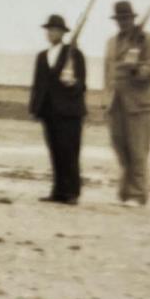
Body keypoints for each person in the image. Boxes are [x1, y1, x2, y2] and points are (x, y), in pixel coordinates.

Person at [104, 0, 150, 206]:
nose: (123, 22)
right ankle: (125, 192)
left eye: (126, 18)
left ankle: (137, 194)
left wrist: (136, 69)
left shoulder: (146, 39)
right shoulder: (112, 42)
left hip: (139, 103)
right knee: (120, 148)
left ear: (133, 19)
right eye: (120, 19)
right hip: (115, 102)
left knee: (138, 151)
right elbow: (108, 72)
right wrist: (105, 100)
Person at [29, 14, 87, 205]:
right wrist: (34, 109)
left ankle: (72, 193)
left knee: (69, 151)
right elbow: (38, 84)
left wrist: (72, 83)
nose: (51, 33)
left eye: (55, 30)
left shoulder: (75, 54)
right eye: (49, 30)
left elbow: (82, 84)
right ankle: (58, 191)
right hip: (48, 110)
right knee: (54, 151)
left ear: (63, 33)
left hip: (69, 111)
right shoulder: (42, 56)